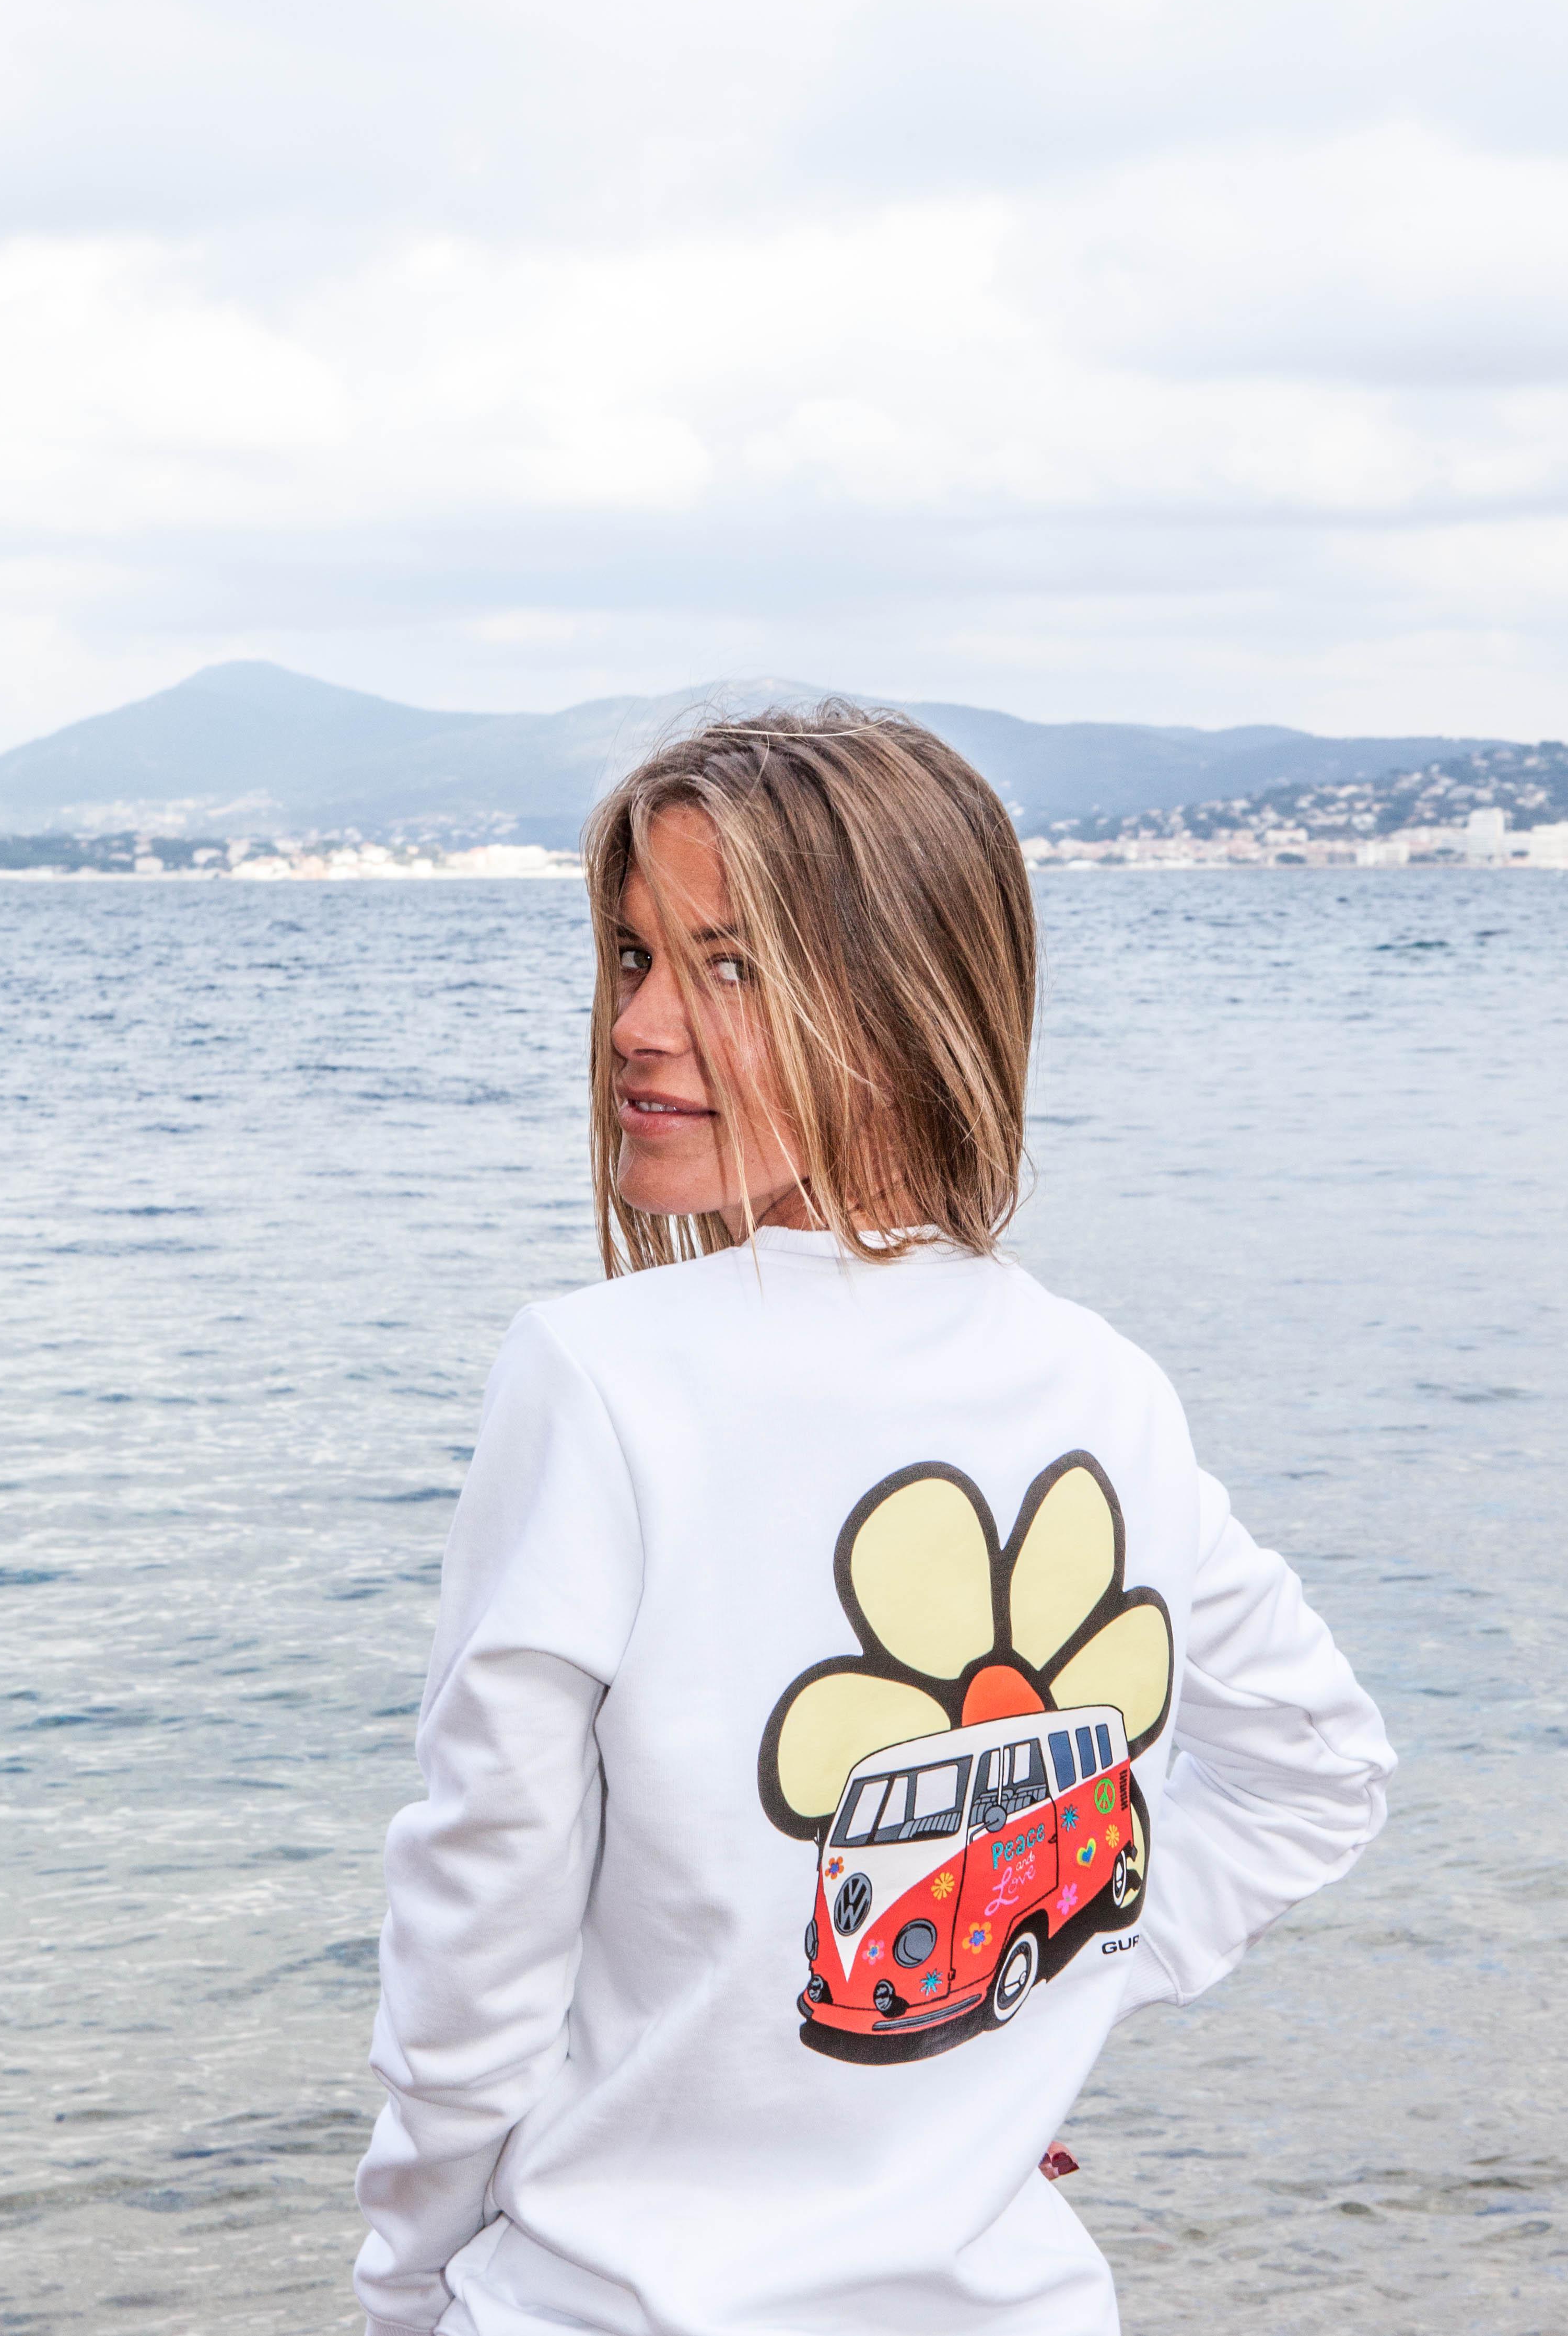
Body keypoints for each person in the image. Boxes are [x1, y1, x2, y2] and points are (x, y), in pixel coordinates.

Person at [353, 703, 1395, 2336]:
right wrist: (1000, 2049)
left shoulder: (600, 1377)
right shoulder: (1102, 1381)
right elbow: (1316, 1770)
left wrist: (409, 2287)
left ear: (899, 1003)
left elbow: (474, 1955)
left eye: (730, 967)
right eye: (632, 957)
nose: (640, 1026)